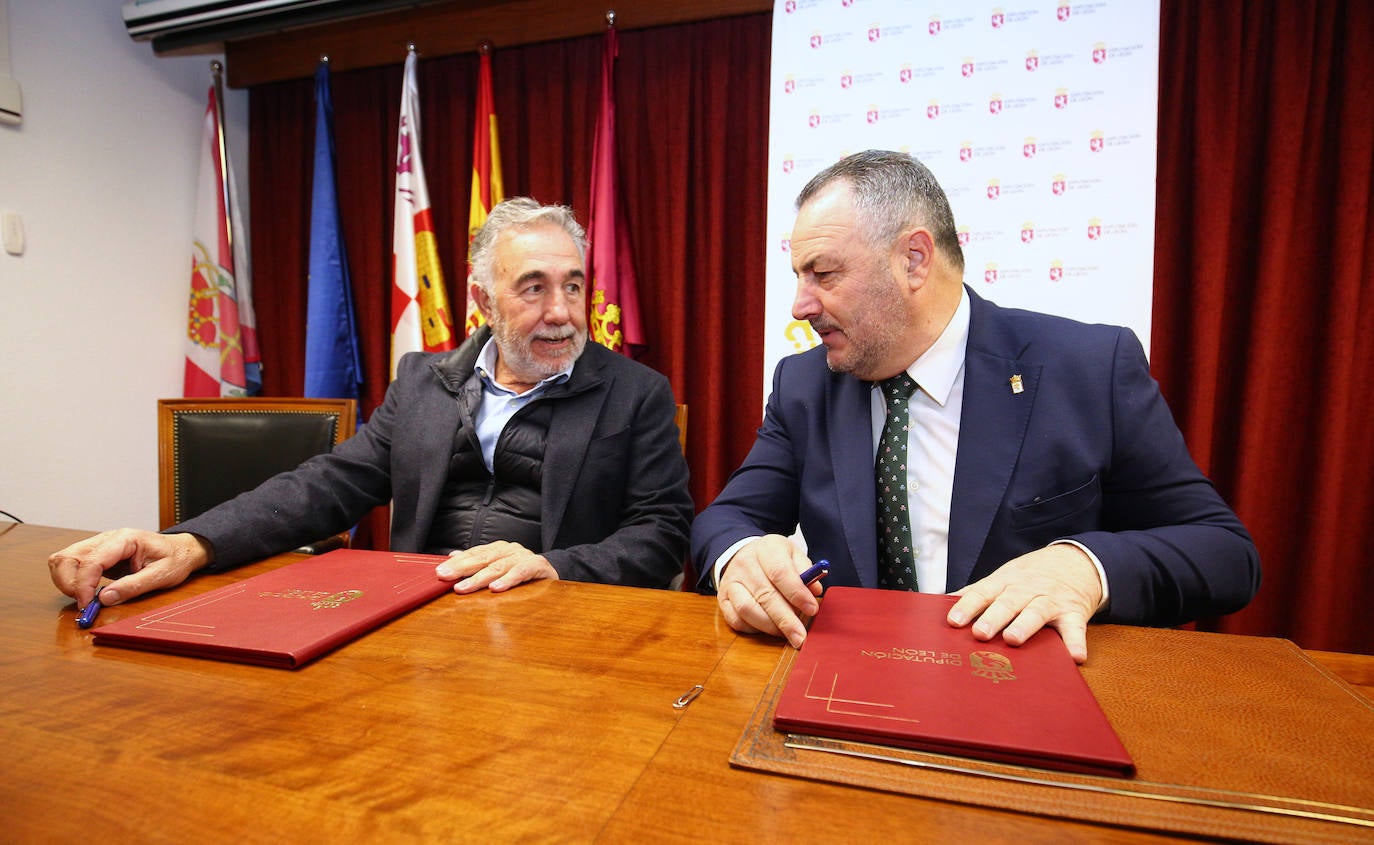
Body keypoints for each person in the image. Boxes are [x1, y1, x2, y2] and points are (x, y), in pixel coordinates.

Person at [692, 151, 1259, 662]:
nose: (799, 305)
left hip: (1025, 700)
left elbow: (1224, 554)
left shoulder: (1087, 367)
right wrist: (740, 557)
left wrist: (1084, 567)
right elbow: (725, 520)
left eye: (824, 274)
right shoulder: (804, 384)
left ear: (914, 260)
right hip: (847, 689)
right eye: (798, 276)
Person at [50, 198, 693, 610]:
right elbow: (326, 487)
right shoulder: (423, 382)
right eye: (533, 288)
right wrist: (194, 542)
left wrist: (552, 567)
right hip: (411, 619)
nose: (560, 312)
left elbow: (662, 535)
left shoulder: (635, 393)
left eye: (572, 285)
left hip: (557, 624)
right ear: (481, 301)